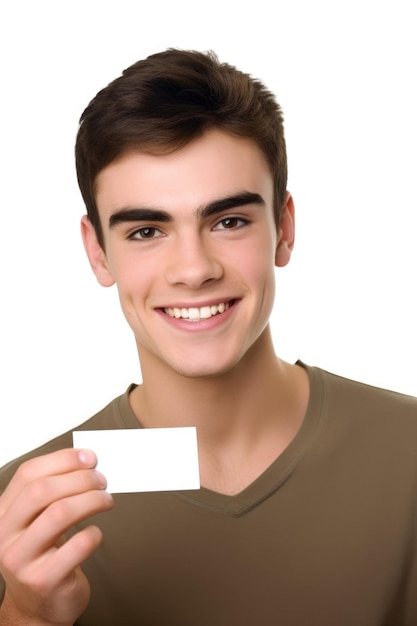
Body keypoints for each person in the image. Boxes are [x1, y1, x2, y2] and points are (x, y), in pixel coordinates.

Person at [0, 48, 416, 626]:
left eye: (229, 221)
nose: (193, 270)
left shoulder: (409, 454)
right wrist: (26, 615)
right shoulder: (21, 515)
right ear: (98, 252)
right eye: (146, 230)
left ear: (284, 229)